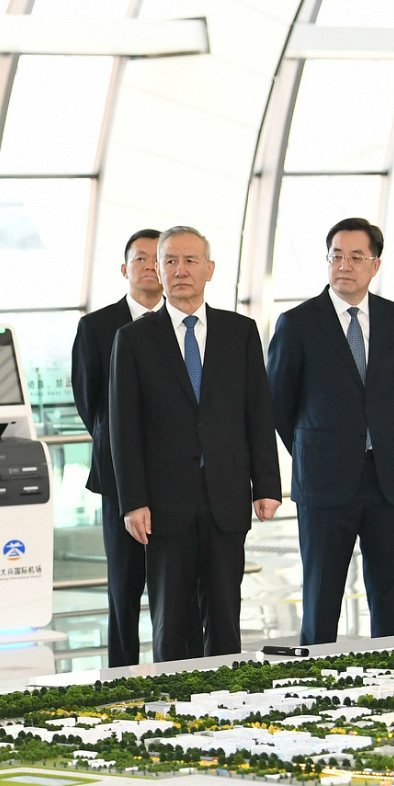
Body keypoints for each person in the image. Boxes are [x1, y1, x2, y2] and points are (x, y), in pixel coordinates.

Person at [109, 226, 281, 662]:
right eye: (169, 262)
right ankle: (173, 705)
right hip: (165, 504)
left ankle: (229, 702)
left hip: (226, 496)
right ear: (157, 270)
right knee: (171, 618)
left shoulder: (240, 331)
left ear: (209, 269)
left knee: (226, 612)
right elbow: (122, 427)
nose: (179, 270)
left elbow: (258, 411)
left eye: (189, 261)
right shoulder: (133, 339)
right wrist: (133, 501)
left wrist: (267, 485)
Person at [267, 217, 394, 645]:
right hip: (323, 480)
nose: (344, 265)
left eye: (356, 256)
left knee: (389, 595)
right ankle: (316, 692)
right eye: (337, 255)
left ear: (375, 264)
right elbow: (279, 403)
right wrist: (318, 447)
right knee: (321, 597)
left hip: (387, 477)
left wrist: (375, 435)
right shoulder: (296, 323)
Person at [71, 229, 162, 668]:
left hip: (176, 474)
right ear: (125, 269)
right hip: (118, 477)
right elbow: (89, 402)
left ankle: (179, 666)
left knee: (177, 582)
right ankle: (122, 671)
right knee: (123, 583)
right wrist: (119, 444)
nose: (149, 266)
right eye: (139, 259)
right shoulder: (96, 326)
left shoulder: (183, 325)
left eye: (156, 259)